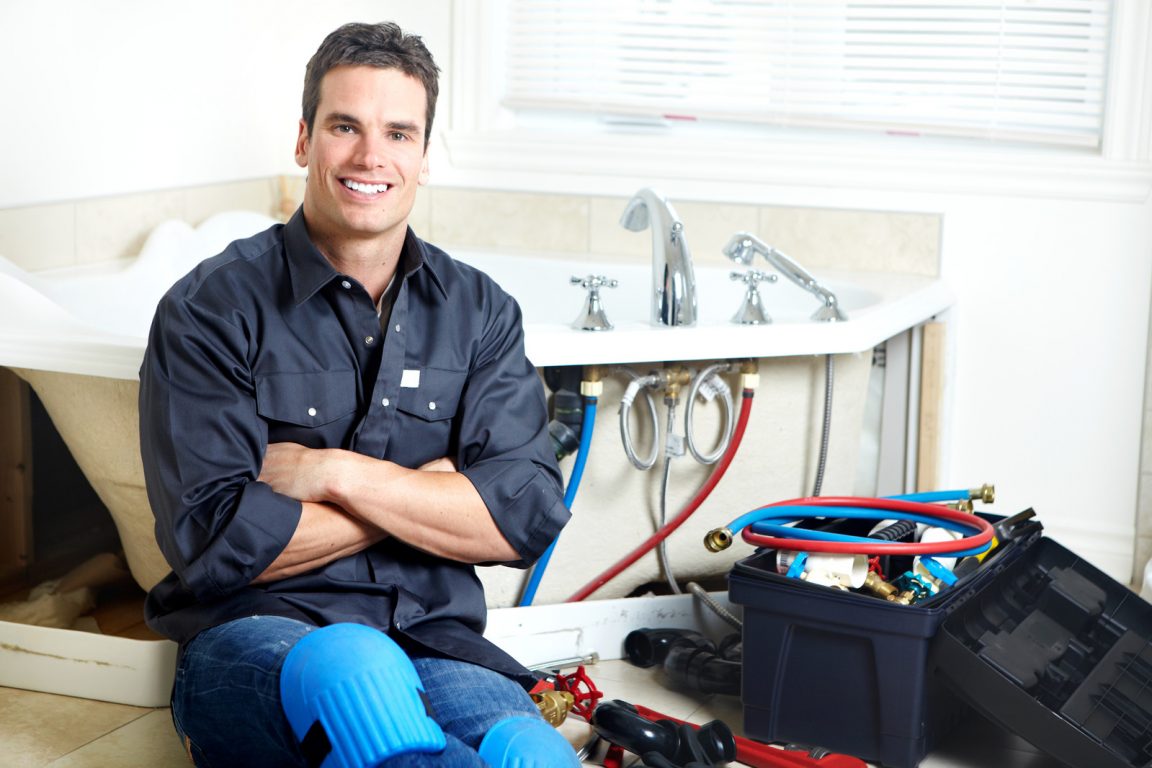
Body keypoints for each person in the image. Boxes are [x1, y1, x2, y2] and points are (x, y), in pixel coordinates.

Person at [138, 21, 572, 767]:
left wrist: (336, 473)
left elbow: (521, 518)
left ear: (424, 158)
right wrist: (430, 491)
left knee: (531, 753)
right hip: (257, 632)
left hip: (433, 636)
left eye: (398, 133)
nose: (372, 156)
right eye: (346, 127)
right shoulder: (211, 309)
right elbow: (215, 542)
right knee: (357, 681)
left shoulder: (480, 311)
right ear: (304, 140)